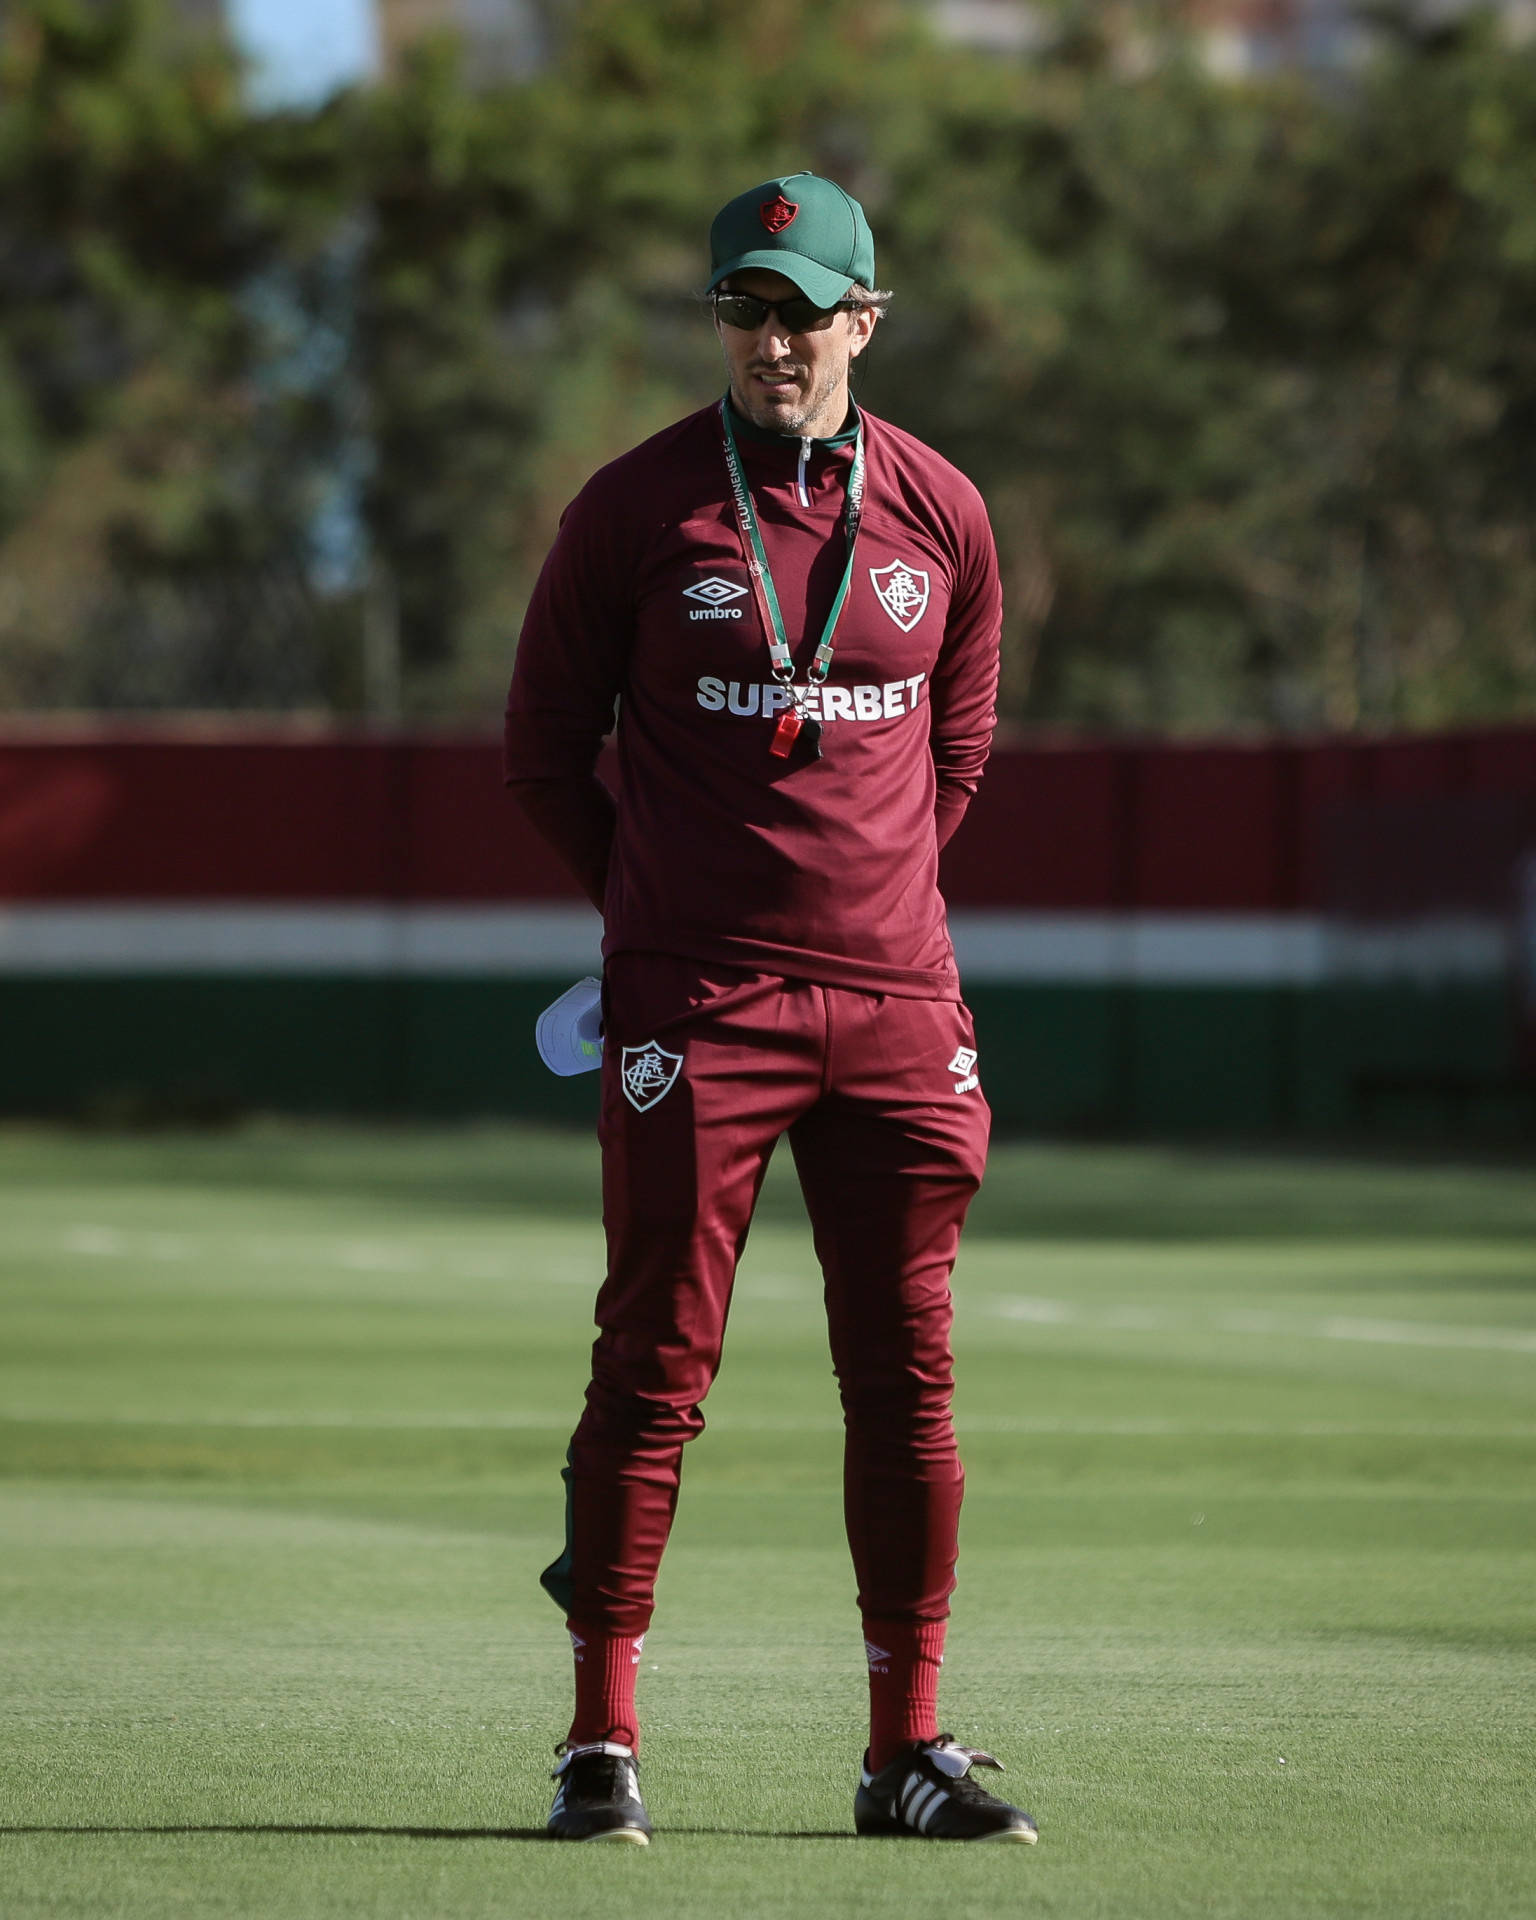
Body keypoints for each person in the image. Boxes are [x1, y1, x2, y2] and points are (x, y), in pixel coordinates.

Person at [504, 172, 1035, 1847]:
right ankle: (600, 1741)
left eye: (806, 310)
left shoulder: (945, 513)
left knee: (910, 1380)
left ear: (864, 320)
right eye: (747, 306)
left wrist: (871, 916)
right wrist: (662, 918)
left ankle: (906, 1750)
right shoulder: (635, 508)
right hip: (694, 1007)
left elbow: (955, 757)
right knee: (654, 1366)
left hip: (896, 1006)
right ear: (719, 318)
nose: (776, 340)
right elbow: (540, 753)